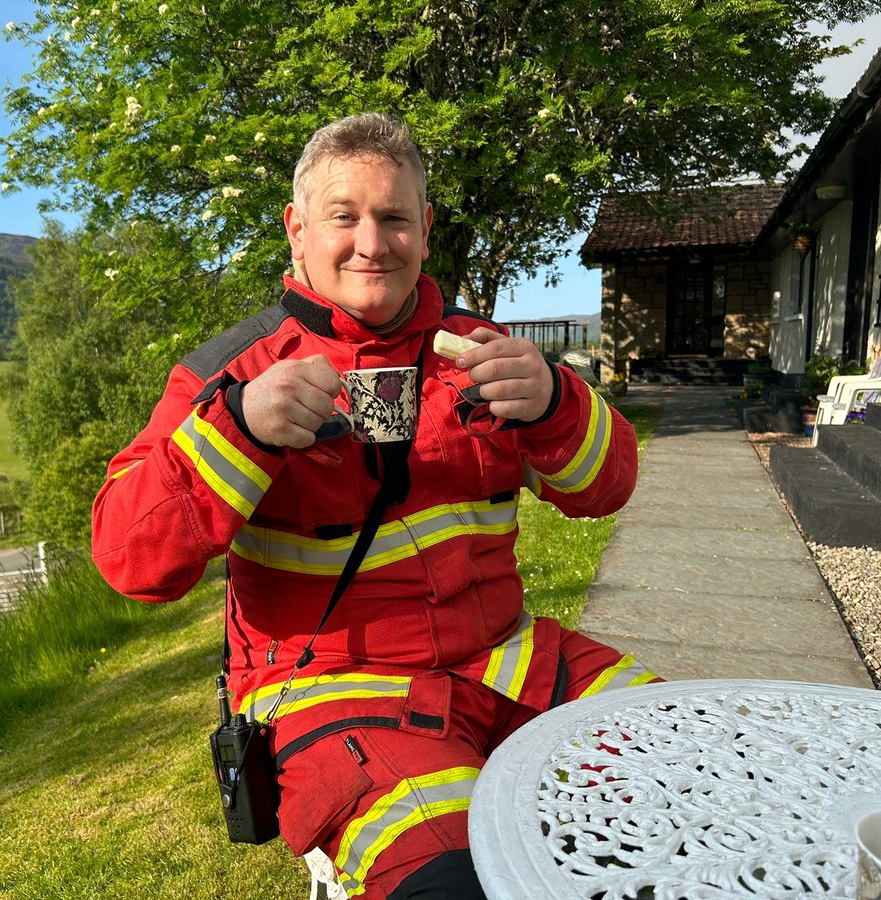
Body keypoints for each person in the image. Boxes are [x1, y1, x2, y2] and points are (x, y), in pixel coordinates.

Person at [92, 112, 659, 900]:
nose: (372, 242)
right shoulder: (231, 374)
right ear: (297, 231)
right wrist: (241, 431)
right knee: (461, 881)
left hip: (512, 661)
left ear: (425, 231)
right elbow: (129, 561)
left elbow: (607, 489)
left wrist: (559, 400)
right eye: (344, 216)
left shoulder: (485, 351)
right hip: (339, 692)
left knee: (698, 773)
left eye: (394, 217)